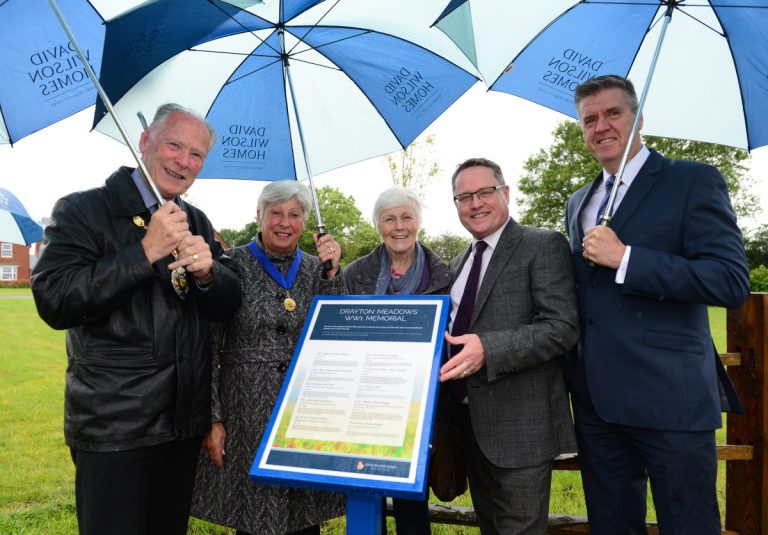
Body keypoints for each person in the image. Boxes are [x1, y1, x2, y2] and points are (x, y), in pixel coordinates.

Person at [30, 103, 242, 535]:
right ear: (145, 142)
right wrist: (143, 253)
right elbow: (54, 298)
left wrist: (208, 275)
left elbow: (228, 303)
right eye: (174, 145)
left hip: (181, 428)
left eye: (196, 154)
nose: (184, 161)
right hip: (116, 429)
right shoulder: (83, 210)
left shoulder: (194, 219)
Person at [565, 74, 750, 534]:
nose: (601, 126)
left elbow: (729, 281)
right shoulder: (578, 203)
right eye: (590, 119)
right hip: (597, 405)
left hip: (671, 399)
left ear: (638, 117)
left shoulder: (692, 181)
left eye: (613, 113)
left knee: (688, 524)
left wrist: (627, 258)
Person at [191, 180, 345, 535]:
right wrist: (212, 419)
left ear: (305, 222)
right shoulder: (230, 264)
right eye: (275, 212)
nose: (284, 222)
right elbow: (208, 346)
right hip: (246, 411)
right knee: (254, 515)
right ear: (259, 216)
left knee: (304, 514)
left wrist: (334, 274)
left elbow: (336, 331)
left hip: (306, 410)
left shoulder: (315, 268)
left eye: (294, 214)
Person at [440, 157, 579, 534]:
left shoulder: (542, 244)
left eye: (484, 192)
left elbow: (562, 327)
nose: (475, 203)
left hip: (522, 429)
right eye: (464, 197)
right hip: (468, 427)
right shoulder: (458, 262)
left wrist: (489, 348)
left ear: (505, 192)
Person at [345, 186, 451, 534]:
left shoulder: (442, 275)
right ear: (378, 225)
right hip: (365, 405)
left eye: (406, 217)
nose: (399, 226)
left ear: (418, 222)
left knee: (411, 505)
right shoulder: (355, 275)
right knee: (365, 497)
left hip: (418, 409)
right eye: (389, 219)